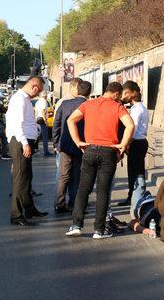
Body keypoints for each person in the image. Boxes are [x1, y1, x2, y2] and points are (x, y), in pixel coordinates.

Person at [65, 82, 135, 240]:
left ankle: (76, 225)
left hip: (89, 149)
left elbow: (71, 120)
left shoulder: (88, 104)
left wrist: (78, 141)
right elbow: (130, 126)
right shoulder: (117, 107)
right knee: (103, 191)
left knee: (83, 189)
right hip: (108, 152)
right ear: (116, 94)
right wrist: (123, 145)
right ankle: (99, 230)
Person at [7, 76, 48, 226]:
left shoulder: (24, 99)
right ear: (34, 87)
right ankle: (16, 215)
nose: (38, 94)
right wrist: (25, 143)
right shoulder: (19, 99)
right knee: (20, 179)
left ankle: (30, 209)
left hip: (23, 141)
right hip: (20, 142)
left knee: (27, 177)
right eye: (39, 91)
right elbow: (17, 124)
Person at [53, 80, 91, 214]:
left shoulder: (65, 104)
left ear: (77, 90)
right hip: (81, 145)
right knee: (77, 175)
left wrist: (56, 143)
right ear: (89, 93)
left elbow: (56, 124)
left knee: (63, 176)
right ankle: (75, 204)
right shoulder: (89, 106)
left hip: (65, 145)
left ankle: (59, 203)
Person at [117, 80, 149, 207]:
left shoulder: (136, 110)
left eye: (126, 93)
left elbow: (132, 129)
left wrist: (126, 144)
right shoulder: (140, 108)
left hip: (136, 143)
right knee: (137, 171)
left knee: (135, 172)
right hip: (140, 142)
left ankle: (135, 198)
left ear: (134, 93)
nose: (123, 96)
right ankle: (136, 196)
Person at [34, 91, 51, 157]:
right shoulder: (44, 101)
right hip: (42, 120)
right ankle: (46, 151)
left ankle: (34, 148)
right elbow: (43, 111)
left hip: (37, 119)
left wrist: (35, 119)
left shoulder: (37, 102)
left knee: (37, 135)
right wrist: (45, 120)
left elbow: (35, 111)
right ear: (46, 96)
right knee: (45, 136)